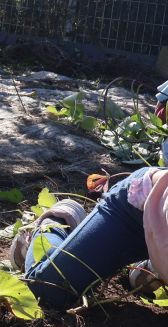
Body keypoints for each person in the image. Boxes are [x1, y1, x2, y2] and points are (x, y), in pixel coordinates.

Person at [11, 80, 168, 308]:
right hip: (137, 208)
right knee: (48, 291)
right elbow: (163, 104)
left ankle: (149, 267)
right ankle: (57, 223)